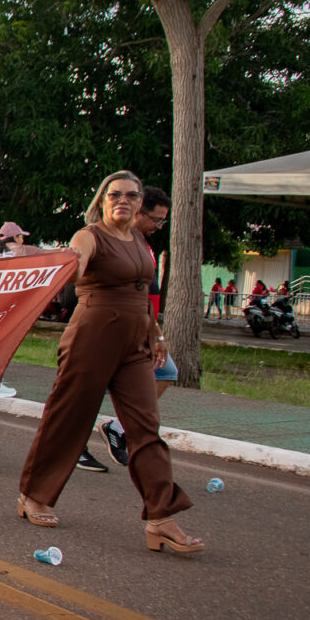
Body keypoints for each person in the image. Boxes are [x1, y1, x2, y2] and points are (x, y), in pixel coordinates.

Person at [17, 170, 201, 554]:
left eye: (131, 195)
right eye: (114, 194)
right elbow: (76, 263)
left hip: (135, 344)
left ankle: (160, 517)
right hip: (92, 337)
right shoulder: (90, 235)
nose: (123, 200)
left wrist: (158, 335)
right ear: (102, 200)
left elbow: (141, 293)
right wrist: (59, 262)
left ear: (139, 203)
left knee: (146, 427)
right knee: (69, 419)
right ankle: (34, 494)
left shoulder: (138, 239)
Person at [97, 186, 173, 467]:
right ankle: (80, 440)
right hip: (116, 329)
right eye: (157, 219)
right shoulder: (114, 242)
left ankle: (118, 428)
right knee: (91, 390)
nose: (159, 226)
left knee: (166, 372)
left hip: (141, 329)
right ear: (139, 212)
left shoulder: (144, 246)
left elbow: (147, 297)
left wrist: (156, 333)